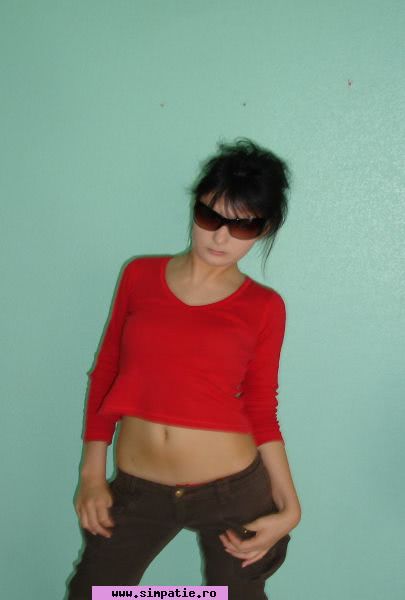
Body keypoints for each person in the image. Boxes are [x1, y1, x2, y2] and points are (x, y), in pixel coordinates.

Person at [66, 138, 301, 599]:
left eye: (243, 225)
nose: (221, 237)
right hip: (138, 491)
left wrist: (290, 507)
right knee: (92, 592)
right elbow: (107, 372)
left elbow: (260, 408)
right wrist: (91, 474)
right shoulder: (139, 276)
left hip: (231, 493)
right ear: (195, 208)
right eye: (210, 217)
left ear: (265, 228)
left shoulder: (264, 307)